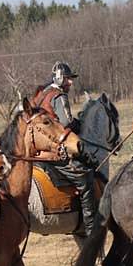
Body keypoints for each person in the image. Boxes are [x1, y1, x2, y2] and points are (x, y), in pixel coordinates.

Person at [32, 62, 98, 236]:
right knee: (85, 178)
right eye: (68, 79)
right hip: (54, 150)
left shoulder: (41, 94)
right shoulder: (59, 96)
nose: (71, 83)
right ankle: (90, 229)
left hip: (37, 151)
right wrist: (82, 123)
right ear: (60, 78)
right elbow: (66, 123)